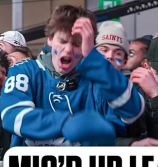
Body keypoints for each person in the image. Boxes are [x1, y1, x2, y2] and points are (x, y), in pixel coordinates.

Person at [0, 5, 144, 147]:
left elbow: (132, 111)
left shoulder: (97, 81)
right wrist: (66, 122)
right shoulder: (25, 71)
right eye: (62, 41)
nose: (68, 49)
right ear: (50, 40)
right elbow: (12, 115)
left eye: (77, 44)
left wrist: (92, 57)